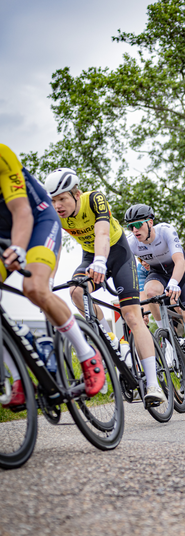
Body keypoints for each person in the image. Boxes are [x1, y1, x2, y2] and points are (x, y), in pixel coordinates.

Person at [44, 169, 165, 406]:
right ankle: (111, 340)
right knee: (76, 292)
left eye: (62, 199)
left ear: (76, 194)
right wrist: (47, 280)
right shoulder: (55, 214)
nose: (57, 205)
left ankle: (153, 384)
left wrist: (101, 260)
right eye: (53, 200)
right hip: (90, 256)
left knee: (131, 315)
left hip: (117, 254)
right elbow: (54, 248)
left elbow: (102, 232)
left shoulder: (94, 199)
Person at [0, 144, 105, 410]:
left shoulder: (2, 155)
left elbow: (22, 212)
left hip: (37, 221)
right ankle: (20, 378)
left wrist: (19, 248)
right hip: (2, 233)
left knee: (34, 287)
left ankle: (87, 354)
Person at [124, 204, 185, 396]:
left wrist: (175, 282)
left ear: (150, 222)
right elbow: (128, 271)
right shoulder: (132, 243)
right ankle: (168, 340)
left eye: (138, 225)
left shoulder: (165, 231)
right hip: (158, 274)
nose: (135, 230)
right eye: (130, 226)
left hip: (181, 274)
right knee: (150, 292)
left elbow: (179, 261)